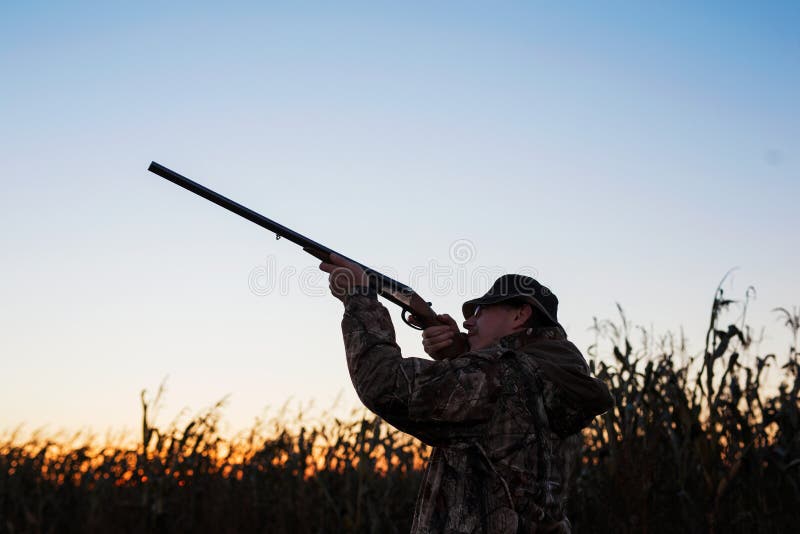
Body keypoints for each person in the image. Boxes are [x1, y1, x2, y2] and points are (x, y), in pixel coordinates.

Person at [320, 254, 613, 533]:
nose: (467, 322)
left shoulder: (499, 375)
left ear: (520, 315)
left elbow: (383, 383)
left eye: (481, 311)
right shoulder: (557, 380)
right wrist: (460, 353)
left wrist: (360, 297)